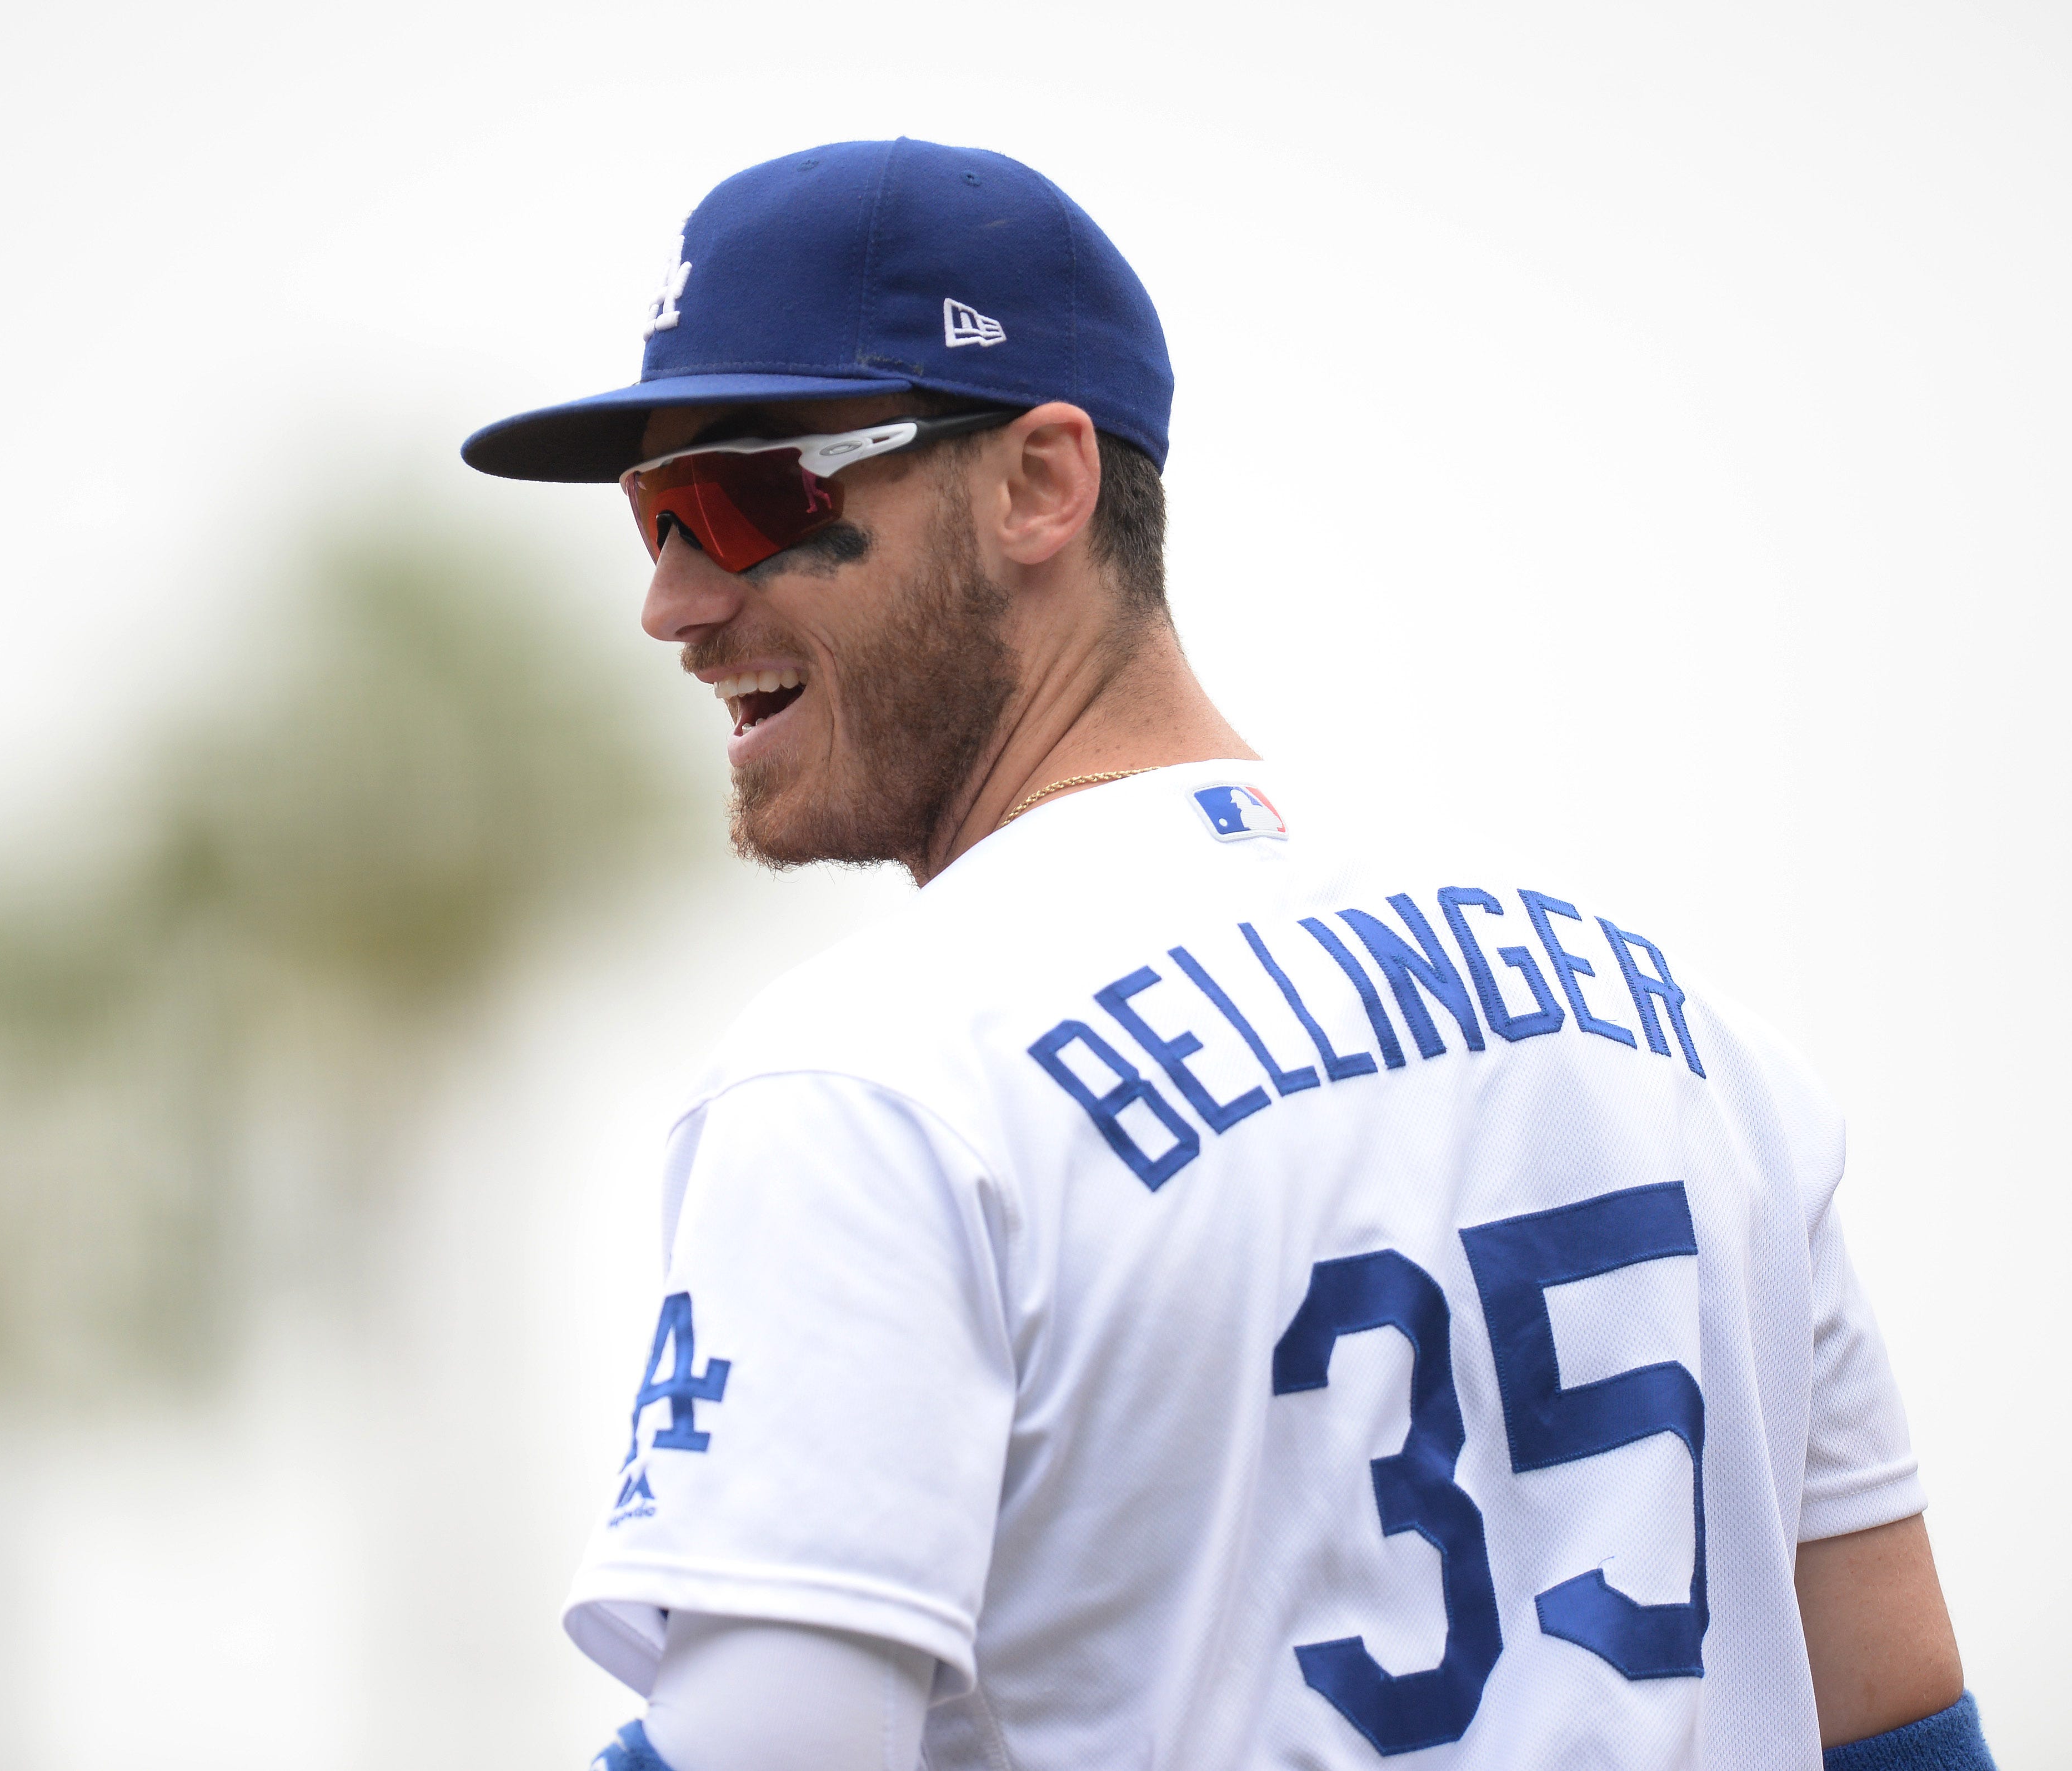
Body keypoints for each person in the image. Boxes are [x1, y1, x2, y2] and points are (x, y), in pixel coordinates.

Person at [461, 138, 1986, 1770]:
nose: (674, 602)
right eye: (651, 517)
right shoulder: (1686, 1034)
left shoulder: (876, 1082)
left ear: (1042, 481)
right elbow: (1904, 1726)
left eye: (745, 498)